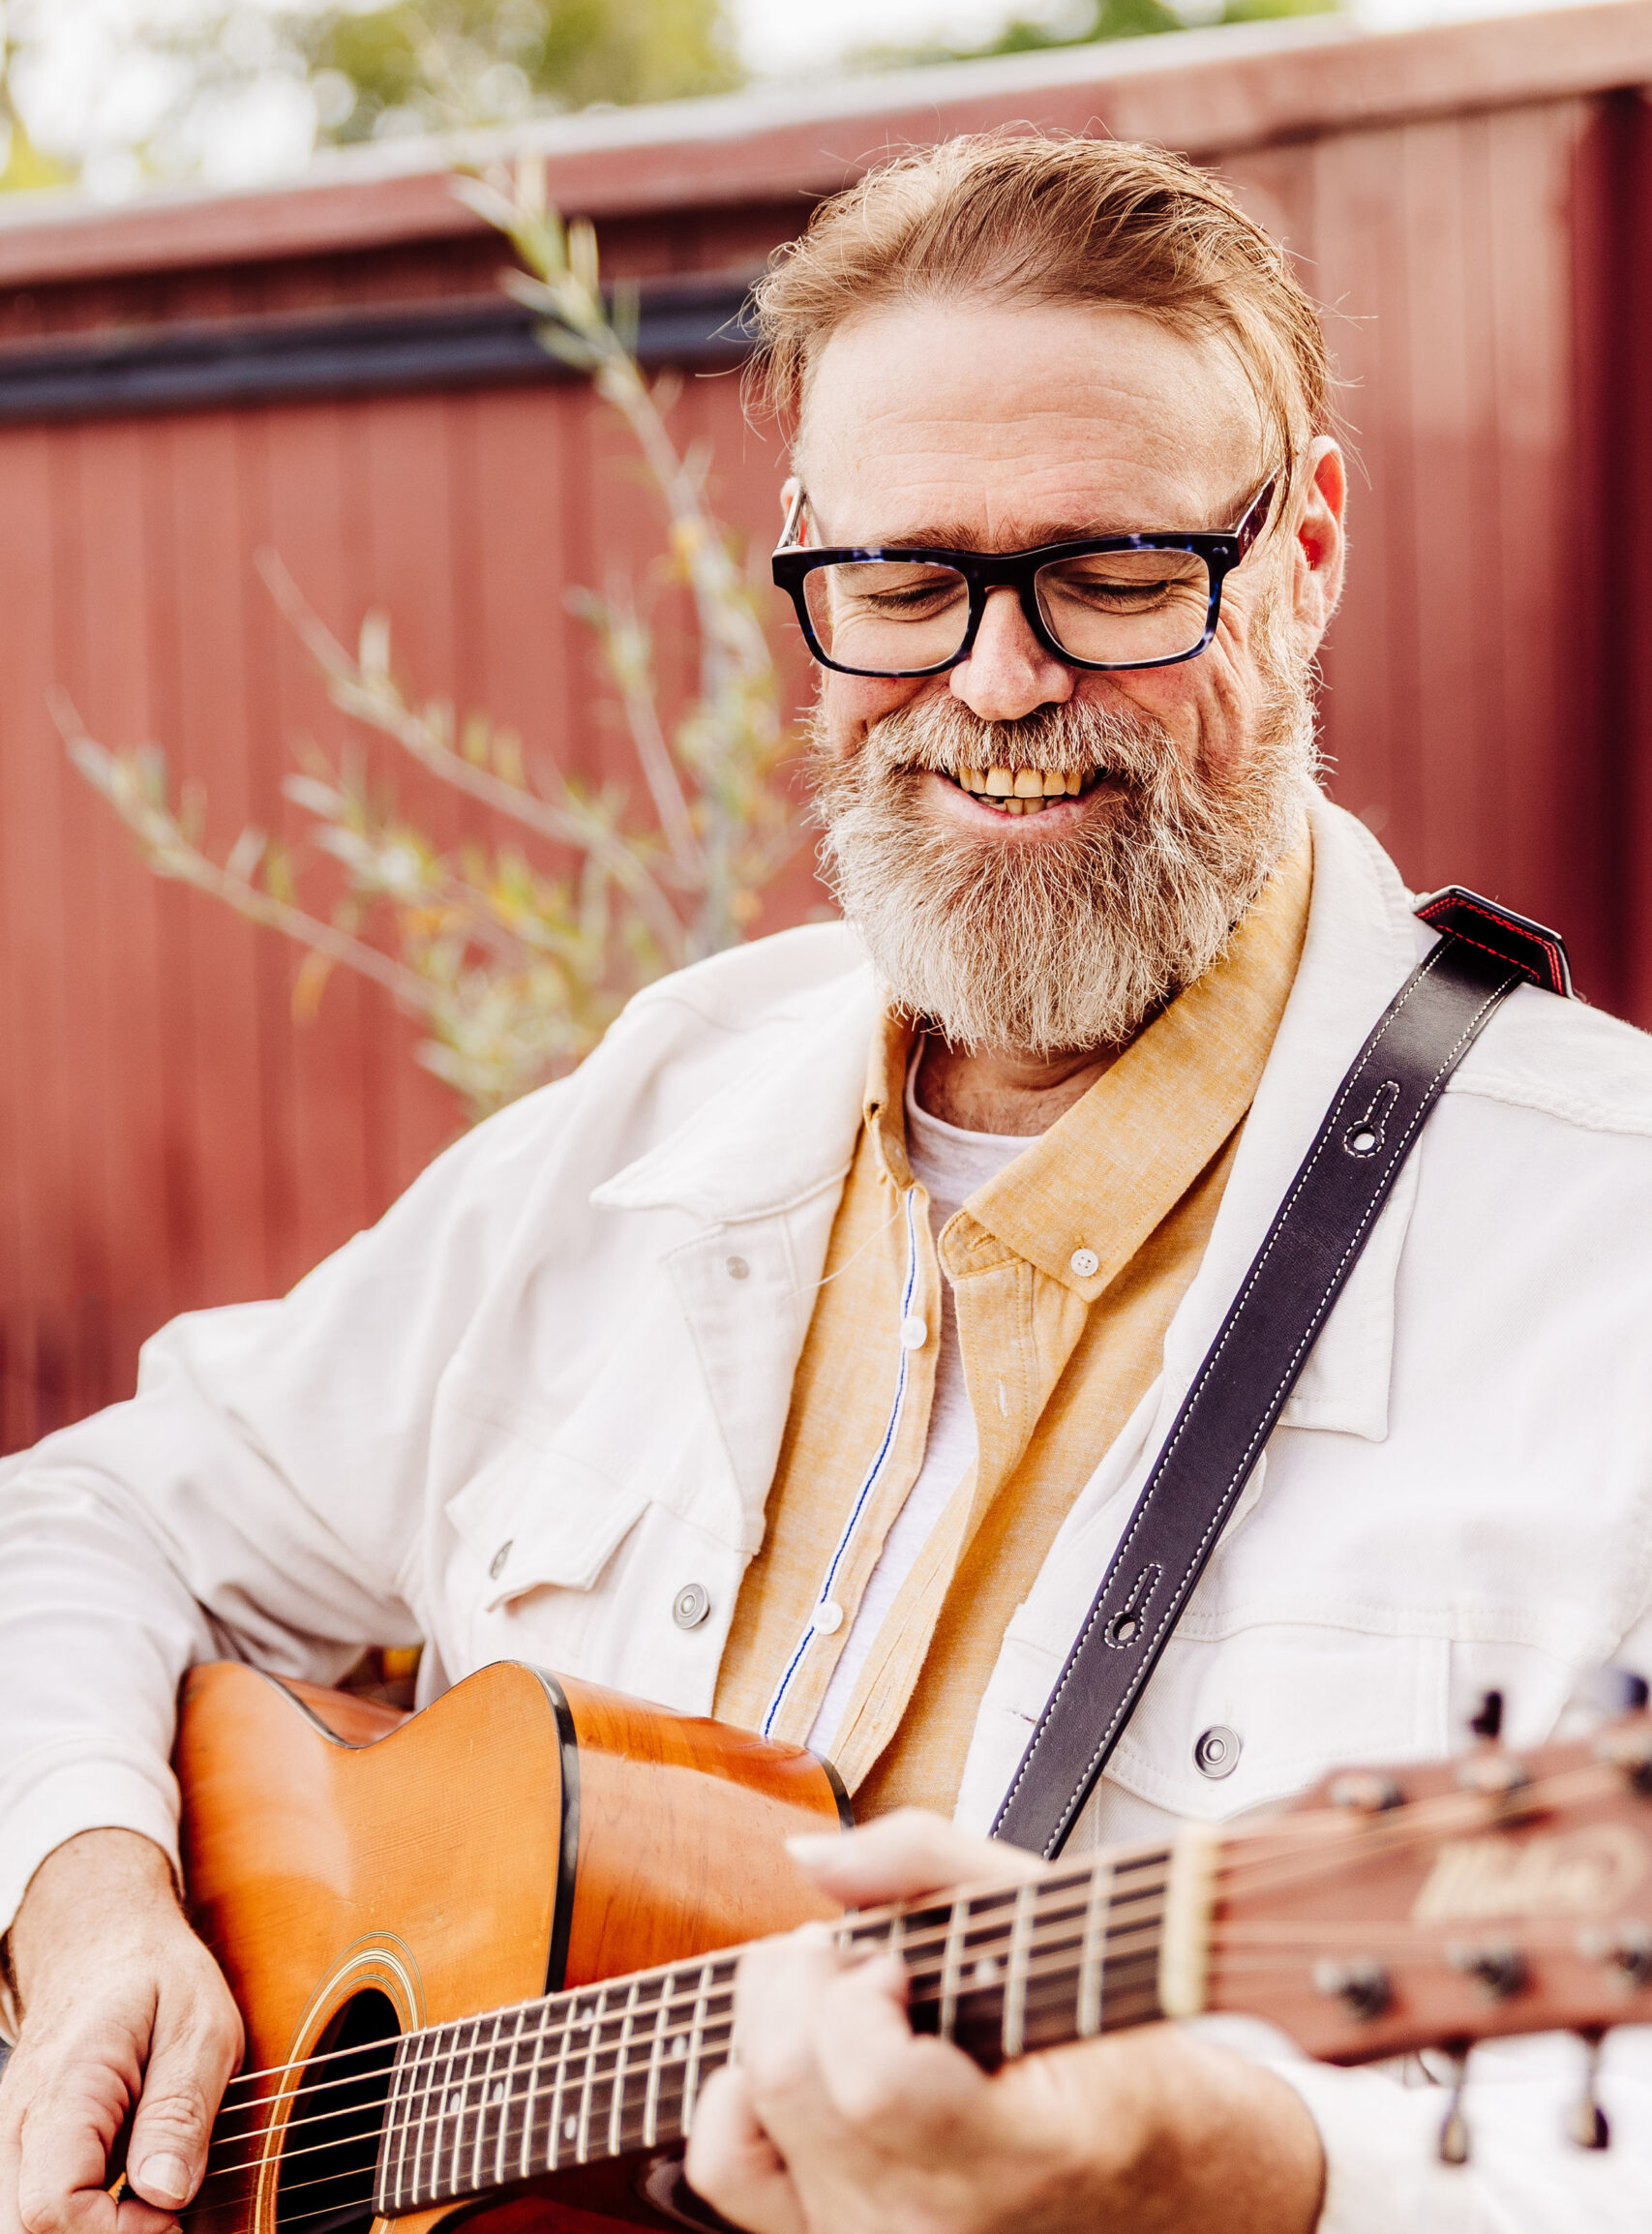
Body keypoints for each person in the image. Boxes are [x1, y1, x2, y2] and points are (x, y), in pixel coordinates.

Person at [3, 133, 1652, 2234]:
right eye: (903, 581)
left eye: (1115, 574)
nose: (997, 682)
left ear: (1303, 546)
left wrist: (1220, 2164)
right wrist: (88, 1897)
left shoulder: (1603, 1253)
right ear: (803, 553)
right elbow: (90, 1515)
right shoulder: (672, 1099)